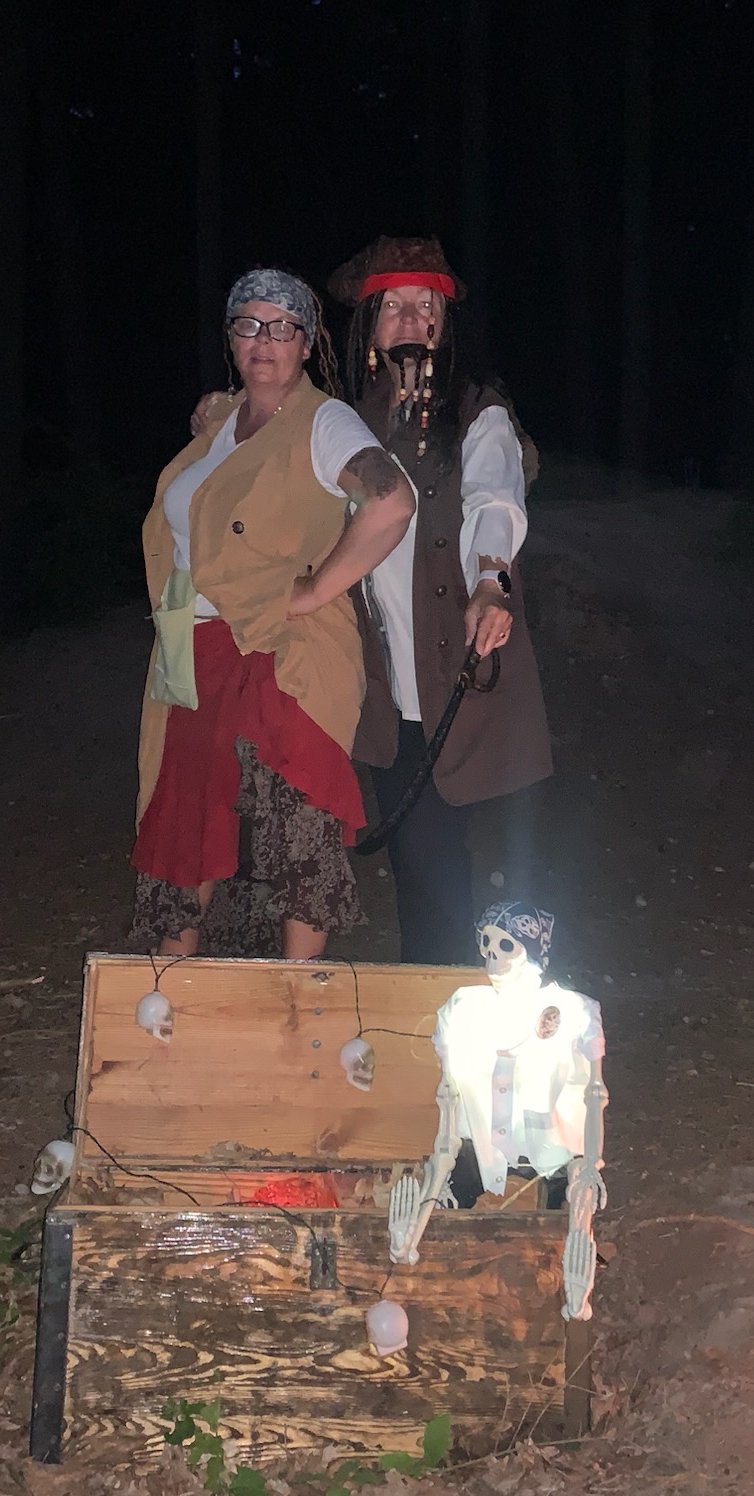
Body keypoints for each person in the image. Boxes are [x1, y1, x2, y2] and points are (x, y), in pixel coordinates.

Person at [190, 237, 552, 965]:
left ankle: (500, 1008)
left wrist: (491, 581)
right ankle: (437, 999)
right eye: (393, 307)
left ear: (445, 321)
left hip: (462, 665)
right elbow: (286, 434)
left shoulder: (476, 412)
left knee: (490, 860)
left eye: (425, 305)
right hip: (387, 685)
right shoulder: (351, 417)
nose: (411, 320)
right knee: (420, 857)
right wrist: (226, 412)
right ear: (370, 326)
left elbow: (493, 498)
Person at [130, 268, 416, 960]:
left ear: (308, 343)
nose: (265, 340)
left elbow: (391, 501)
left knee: (297, 817)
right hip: (191, 640)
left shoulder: (324, 421)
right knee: (185, 812)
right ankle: (167, 991)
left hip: (284, 645)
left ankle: (297, 994)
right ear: (231, 338)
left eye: (284, 327)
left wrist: (314, 591)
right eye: (249, 324)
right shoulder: (218, 423)